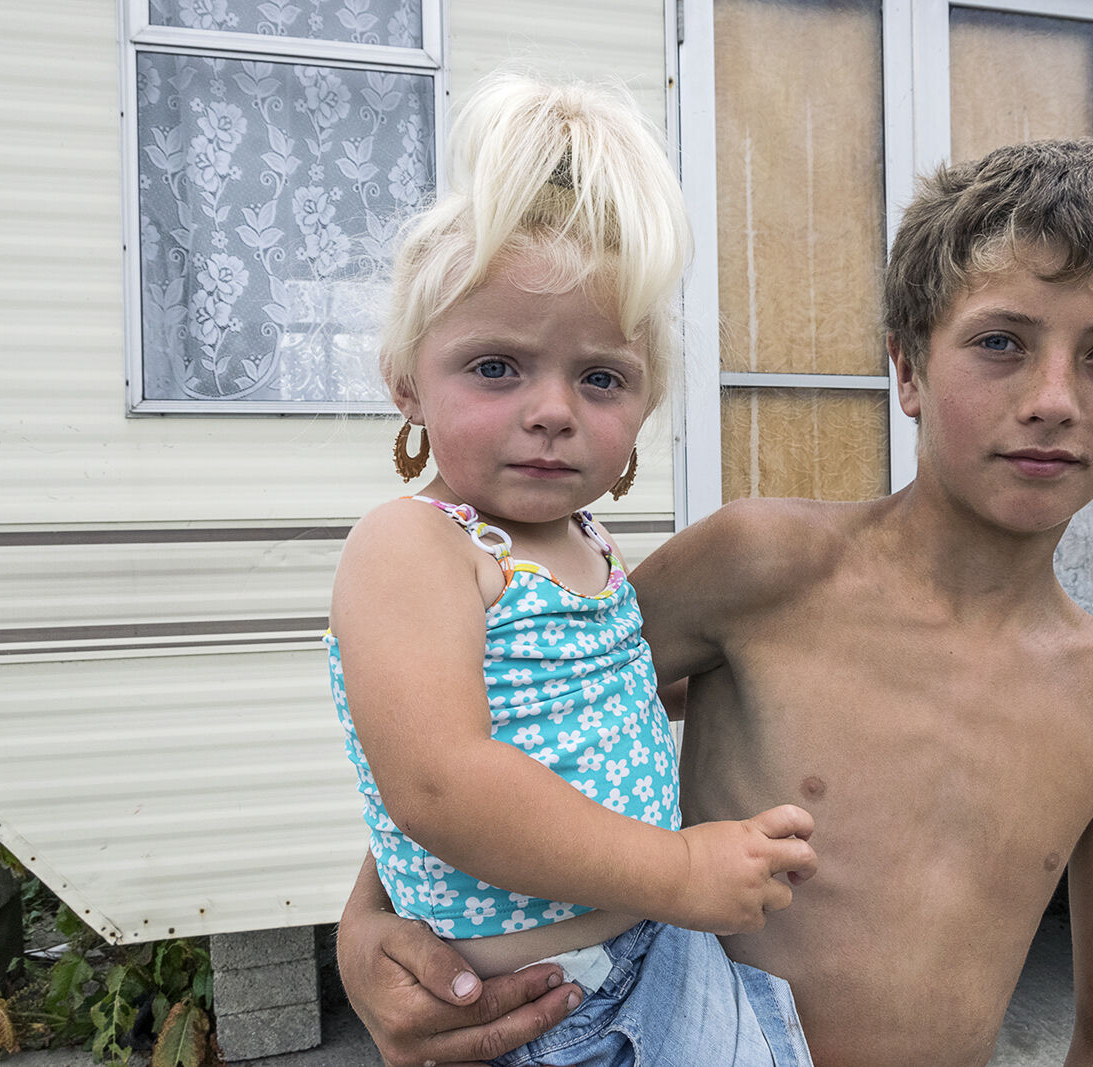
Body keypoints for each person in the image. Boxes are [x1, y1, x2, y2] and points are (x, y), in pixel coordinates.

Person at [336, 137, 1093, 1067]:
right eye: (1000, 341)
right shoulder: (763, 567)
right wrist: (367, 927)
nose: (1052, 398)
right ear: (907, 370)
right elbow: (512, 711)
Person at [325, 72, 820, 1067]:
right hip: (546, 1007)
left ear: (641, 411)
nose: (552, 408)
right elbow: (438, 779)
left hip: (652, 950)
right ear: (405, 381)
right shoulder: (412, 545)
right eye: (496, 367)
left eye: (599, 377)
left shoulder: (583, 543)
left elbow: (582, 699)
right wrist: (677, 866)